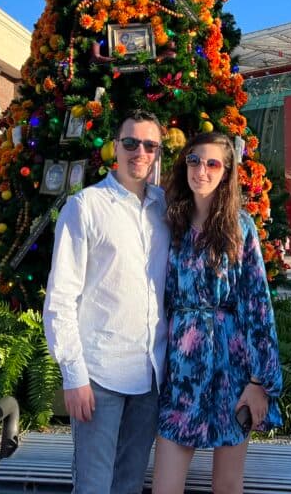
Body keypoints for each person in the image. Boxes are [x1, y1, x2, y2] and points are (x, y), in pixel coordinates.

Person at [44, 110, 169, 493]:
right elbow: (61, 297)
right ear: (115, 147)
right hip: (100, 377)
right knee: (94, 486)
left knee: (129, 484)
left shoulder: (164, 208)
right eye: (131, 142)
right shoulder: (85, 207)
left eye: (150, 145)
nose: (140, 152)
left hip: (151, 374)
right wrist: (74, 375)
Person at [153, 132, 282, 494]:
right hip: (182, 368)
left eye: (213, 163)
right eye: (194, 161)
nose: (202, 170)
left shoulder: (240, 227)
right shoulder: (169, 222)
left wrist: (261, 383)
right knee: (165, 485)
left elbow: (258, 306)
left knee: (227, 485)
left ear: (226, 172)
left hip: (232, 365)